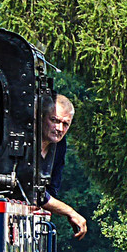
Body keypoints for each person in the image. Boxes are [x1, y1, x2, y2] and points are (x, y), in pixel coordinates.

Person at [35, 95, 87, 239]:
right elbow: (34, 193)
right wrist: (69, 212)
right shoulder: (25, 142)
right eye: (54, 120)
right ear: (41, 117)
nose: (59, 128)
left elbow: (51, 191)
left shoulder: (59, 145)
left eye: (65, 124)